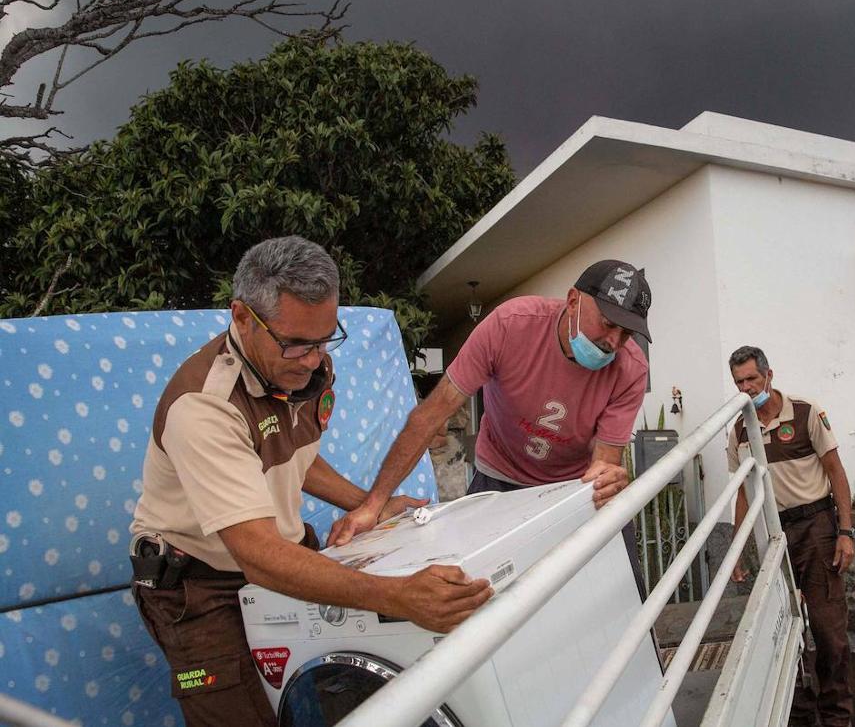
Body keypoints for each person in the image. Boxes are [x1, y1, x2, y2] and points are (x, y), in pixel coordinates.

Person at [129, 236, 492, 727]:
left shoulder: (306, 366)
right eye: (296, 343)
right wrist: (397, 596)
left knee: (318, 697)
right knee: (239, 712)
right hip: (199, 586)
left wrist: (369, 505)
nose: (312, 359)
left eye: (324, 340)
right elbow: (258, 557)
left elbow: (298, 458)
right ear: (241, 316)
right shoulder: (204, 408)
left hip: (278, 553)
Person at [329, 260, 652, 564]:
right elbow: (431, 415)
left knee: (623, 586)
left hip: (572, 487)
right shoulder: (510, 325)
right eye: (608, 324)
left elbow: (604, 462)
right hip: (497, 477)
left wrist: (608, 479)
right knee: (480, 590)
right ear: (572, 301)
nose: (614, 341)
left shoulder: (632, 369)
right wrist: (372, 505)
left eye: (626, 333)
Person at [726, 345, 855, 727]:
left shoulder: (805, 412)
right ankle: (799, 716)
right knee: (783, 631)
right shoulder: (738, 429)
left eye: (752, 378)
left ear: (769, 375)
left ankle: (837, 718)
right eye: (739, 382)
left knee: (828, 631)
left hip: (816, 527)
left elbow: (836, 472)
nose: (747, 387)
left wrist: (845, 532)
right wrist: (737, 549)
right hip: (775, 535)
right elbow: (744, 491)